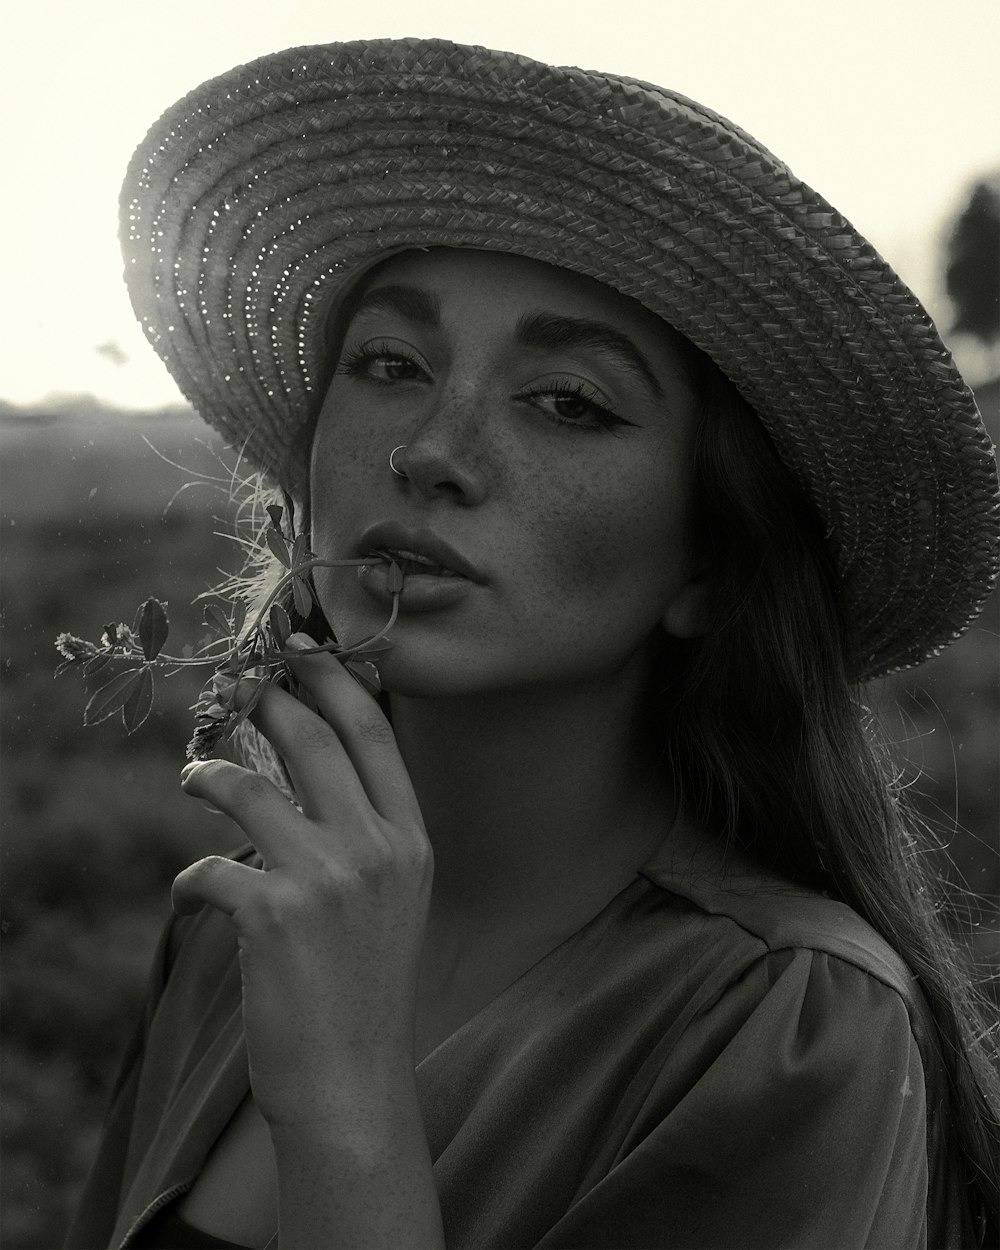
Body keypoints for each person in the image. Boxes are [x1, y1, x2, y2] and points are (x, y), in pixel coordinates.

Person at [64, 38, 999, 1250]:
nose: (431, 450)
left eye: (568, 400)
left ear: (710, 566)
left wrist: (345, 1104)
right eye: (390, 364)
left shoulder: (790, 1026)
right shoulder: (244, 920)